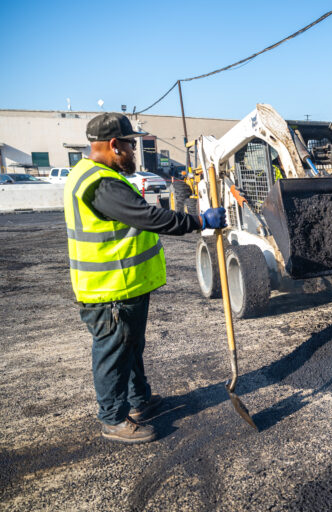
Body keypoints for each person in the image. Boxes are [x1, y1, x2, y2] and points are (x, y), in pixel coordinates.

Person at [64, 113, 227, 444]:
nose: (133, 151)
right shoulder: (101, 183)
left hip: (124, 285)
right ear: (114, 145)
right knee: (114, 351)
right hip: (110, 289)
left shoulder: (95, 175)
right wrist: (199, 220)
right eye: (130, 144)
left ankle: (140, 402)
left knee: (130, 347)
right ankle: (112, 418)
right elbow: (149, 217)